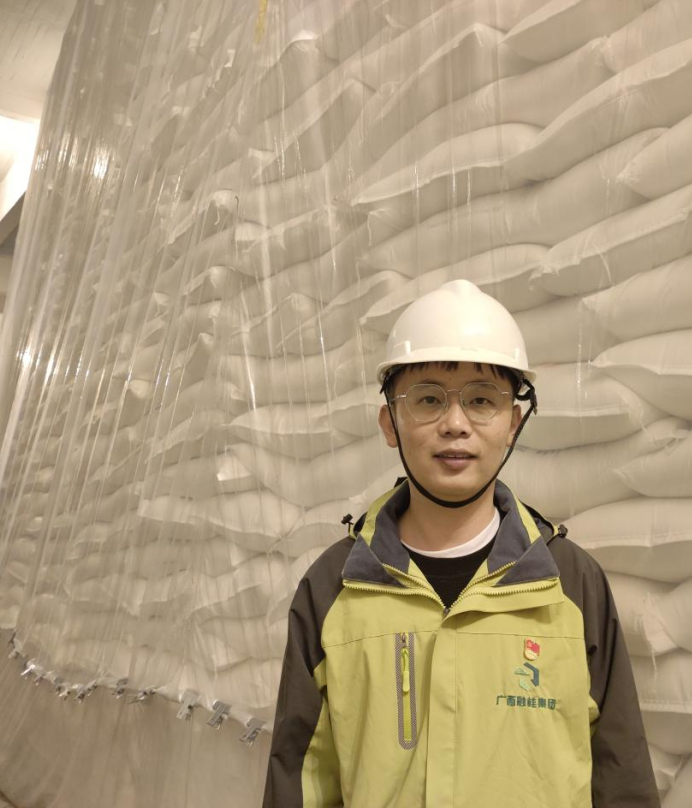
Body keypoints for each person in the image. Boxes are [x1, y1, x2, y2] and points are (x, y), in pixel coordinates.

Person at [264, 280, 659, 807]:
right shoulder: (334, 588)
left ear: (513, 422)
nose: (455, 424)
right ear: (390, 422)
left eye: (481, 401)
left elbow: (622, 779)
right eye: (428, 399)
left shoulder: (569, 585)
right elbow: (300, 780)